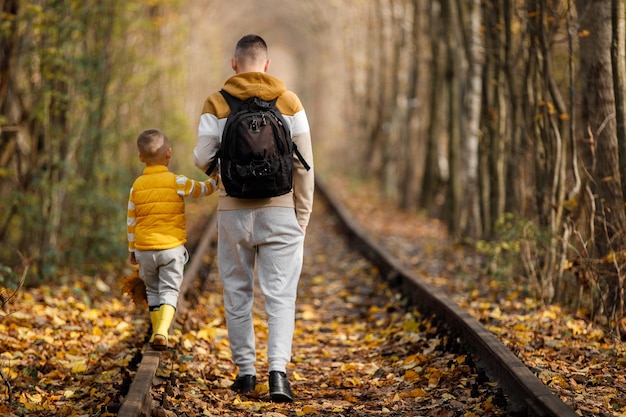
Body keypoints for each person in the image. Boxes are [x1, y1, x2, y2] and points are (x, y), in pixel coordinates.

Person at [193, 34, 314, 402]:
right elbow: (304, 165)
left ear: (234, 64)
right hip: (281, 211)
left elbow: (201, 157)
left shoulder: (216, 102)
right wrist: (302, 217)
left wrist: (222, 177)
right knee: (280, 297)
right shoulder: (289, 101)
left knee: (237, 293)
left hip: (233, 215)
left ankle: (245, 373)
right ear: (266, 64)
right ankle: (278, 374)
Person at [127, 128, 218, 351]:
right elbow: (202, 190)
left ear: (140, 157)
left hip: (145, 249)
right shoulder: (177, 181)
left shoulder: (136, 186)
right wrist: (216, 179)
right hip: (171, 248)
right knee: (170, 289)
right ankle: (161, 331)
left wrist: (132, 249)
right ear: (169, 153)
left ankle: (158, 329)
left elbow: (131, 221)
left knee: (153, 290)